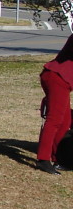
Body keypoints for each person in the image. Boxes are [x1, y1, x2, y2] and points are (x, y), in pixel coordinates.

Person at [36, 33, 73, 174]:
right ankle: (43, 160)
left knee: (65, 121)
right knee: (55, 119)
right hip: (57, 78)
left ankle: (59, 158)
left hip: (63, 80)